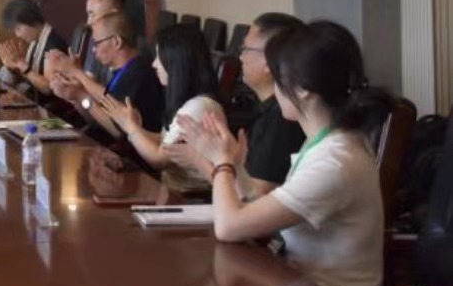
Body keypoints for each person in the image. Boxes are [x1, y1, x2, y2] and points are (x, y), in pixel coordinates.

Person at [179, 20, 390, 286]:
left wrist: (222, 163)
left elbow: (229, 226)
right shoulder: (325, 142)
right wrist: (235, 166)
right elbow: (259, 206)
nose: (275, 89)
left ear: (303, 89)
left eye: (278, 78)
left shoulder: (335, 161)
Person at [168, 12, 307, 199]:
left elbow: (255, 196)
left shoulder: (280, 120)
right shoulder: (269, 110)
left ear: (270, 59)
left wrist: (199, 160)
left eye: (246, 49)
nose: (241, 57)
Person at [100, 23, 223, 181]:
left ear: (176, 62)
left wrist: (131, 128)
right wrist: (136, 127)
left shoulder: (198, 107)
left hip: (188, 192)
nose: (154, 64)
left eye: (159, 57)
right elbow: (163, 140)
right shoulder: (191, 102)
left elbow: (158, 159)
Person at [49, 11, 165, 136]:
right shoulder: (120, 71)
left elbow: (117, 131)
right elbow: (95, 121)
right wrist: (76, 95)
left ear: (116, 42)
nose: (93, 50)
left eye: (97, 43)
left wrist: (78, 76)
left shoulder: (139, 73)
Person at [0, 0, 67, 100]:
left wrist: (22, 64)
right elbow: (30, 77)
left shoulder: (53, 44)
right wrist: (13, 67)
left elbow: (48, 88)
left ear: (30, 19)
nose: (17, 35)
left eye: (18, 29)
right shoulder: (36, 41)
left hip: (50, 107)